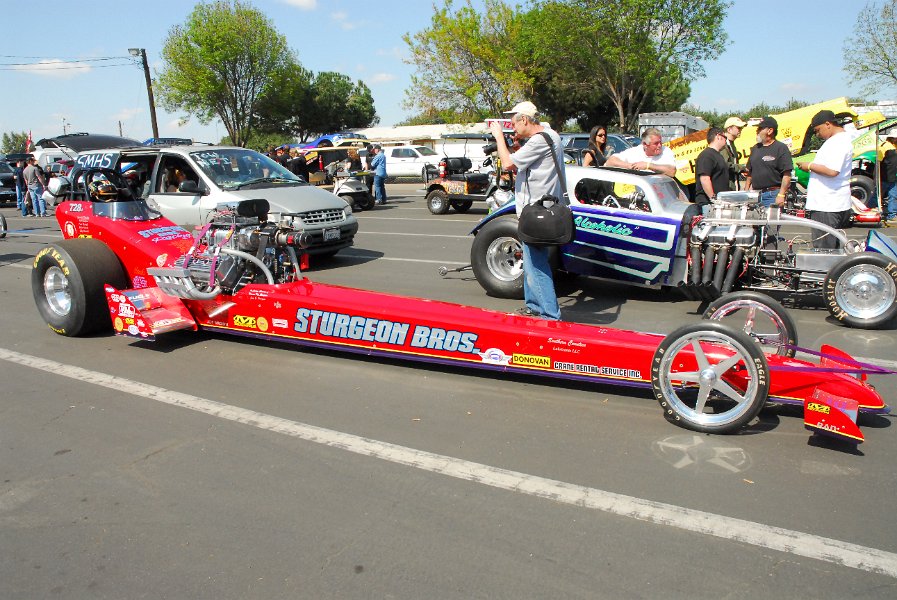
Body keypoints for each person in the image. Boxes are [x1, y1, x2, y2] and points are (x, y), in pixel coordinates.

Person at [487, 100, 566, 320]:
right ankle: (533, 306)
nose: (512, 127)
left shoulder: (539, 140)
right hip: (542, 210)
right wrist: (516, 148)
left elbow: (508, 164)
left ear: (524, 119)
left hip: (536, 213)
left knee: (536, 264)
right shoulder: (549, 135)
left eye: (514, 123)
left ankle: (550, 315)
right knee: (531, 263)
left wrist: (499, 137)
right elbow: (530, 166)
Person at [796, 110, 853, 249]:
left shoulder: (838, 142)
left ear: (828, 124)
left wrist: (809, 166)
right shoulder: (836, 141)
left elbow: (832, 171)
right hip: (829, 203)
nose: (817, 134)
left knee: (824, 250)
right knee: (830, 249)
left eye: (818, 130)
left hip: (827, 205)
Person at [744, 116, 792, 209]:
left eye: (760, 128)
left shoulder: (781, 148)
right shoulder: (755, 148)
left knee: (771, 219)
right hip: (755, 195)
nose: (757, 131)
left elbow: (787, 174)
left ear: (770, 131)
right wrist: (746, 192)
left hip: (773, 195)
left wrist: (781, 195)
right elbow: (750, 173)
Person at [604, 128, 676, 177]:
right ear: (645, 144)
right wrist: (630, 166)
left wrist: (648, 165)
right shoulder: (635, 151)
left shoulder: (666, 151)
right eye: (656, 143)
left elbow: (672, 171)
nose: (660, 145)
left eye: (660, 142)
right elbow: (610, 161)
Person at [693, 127, 730, 215]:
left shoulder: (718, 155)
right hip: (709, 205)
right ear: (718, 136)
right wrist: (714, 199)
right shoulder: (707, 155)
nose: (726, 140)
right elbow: (704, 179)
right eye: (725, 137)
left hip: (718, 204)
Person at [720, 116, 747, 190]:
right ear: (729, 129)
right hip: (726, 188)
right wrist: (743, 168)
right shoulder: (723, 145)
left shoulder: (731, 144)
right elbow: (726, 165)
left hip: (732, 187)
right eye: (738, 128)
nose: (740, 130)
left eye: (741, 128)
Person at [880, 135, 897, 225]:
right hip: (886, 176)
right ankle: (868, 211)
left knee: (893, 196)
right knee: (878, 196)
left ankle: (892, 215)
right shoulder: (886, 146)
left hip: (892, 177)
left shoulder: (893, 146)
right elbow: (879, 160)